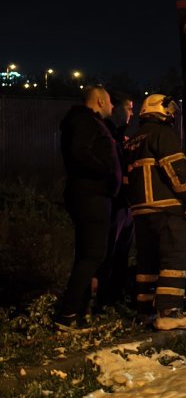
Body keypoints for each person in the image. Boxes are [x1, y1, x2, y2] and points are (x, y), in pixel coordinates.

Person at [124, 94, 186, 330]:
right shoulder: (163, 134)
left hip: (140, 211)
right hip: (166, 208)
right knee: (175, 256)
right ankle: (169, 312)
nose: (172, 114)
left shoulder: (134, 139)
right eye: (169, 109)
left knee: (147, 260)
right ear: (159, 110)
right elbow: (175, 167)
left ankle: (144, 311)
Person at [54, 85, 122, 330]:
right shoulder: (84, 122)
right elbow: (79, 153)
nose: (114, 107)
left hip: (92, 196)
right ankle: (67, 315)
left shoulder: (86, 122)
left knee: (89, 255)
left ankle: (76, 314)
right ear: (101, 101)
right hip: (90, 197)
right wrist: (106, 170)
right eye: (111, 102)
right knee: (92, 254)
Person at [94, 92, 135, 313]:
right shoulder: (107, 132)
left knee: (122, 251)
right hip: (115, 203)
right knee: (110, 250)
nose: (132, 113)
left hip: (125, 203)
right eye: (129, 108)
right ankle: (104, 299)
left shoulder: (120, 135)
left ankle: (114, 297)